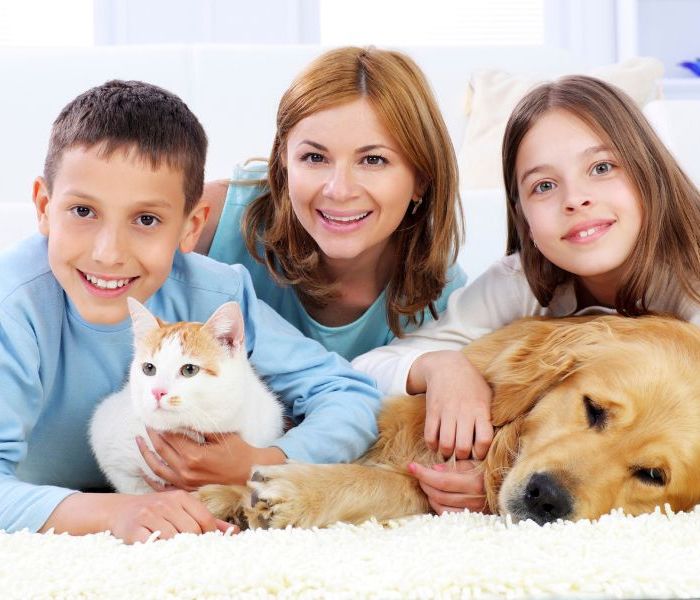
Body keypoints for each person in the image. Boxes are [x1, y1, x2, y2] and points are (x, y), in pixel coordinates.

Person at [0, 80, 382, 543]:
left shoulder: (214, 294)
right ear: (43, 207)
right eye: (83, 211)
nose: (108, 253)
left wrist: (262, 461)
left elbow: (350, 396)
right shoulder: (14, 307)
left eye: (146, 220)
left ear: (190, 226)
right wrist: (116, 512)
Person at [352, 74, 700, 515]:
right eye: (544, 186)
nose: (576, 200)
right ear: (521, 214)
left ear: (651, 170)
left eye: (601, 168)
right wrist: (441, 366)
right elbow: (367, 368)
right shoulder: (520, 282)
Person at [192, 46, 472, 480]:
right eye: (315, 158)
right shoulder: (209, 219)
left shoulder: (444, 297)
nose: (339, 190)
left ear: (421, 178)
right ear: (283, 164)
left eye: (373, 160)